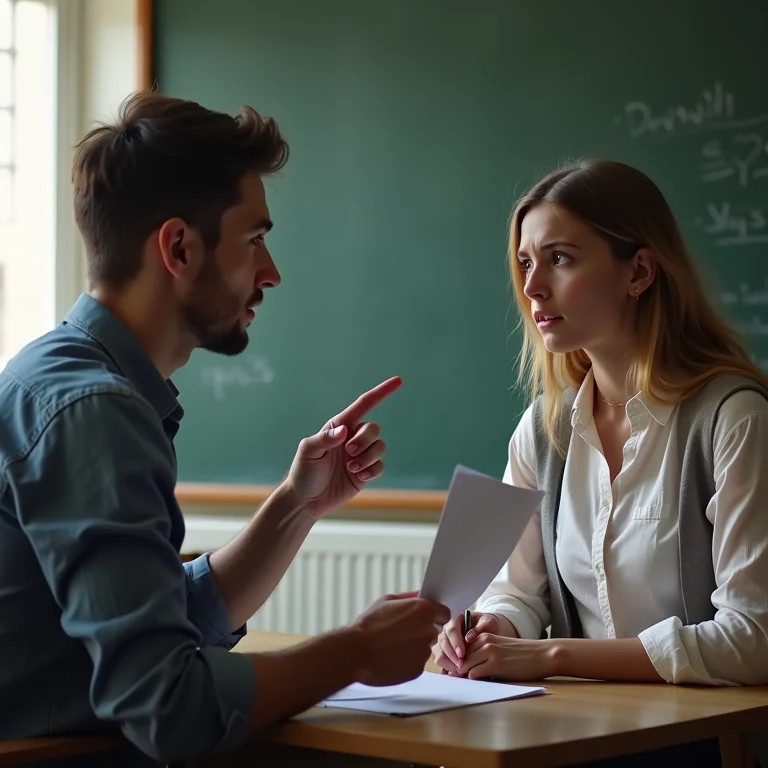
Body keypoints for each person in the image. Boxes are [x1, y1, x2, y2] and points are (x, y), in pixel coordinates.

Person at [0, 91, 449, 767]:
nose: (271, 273)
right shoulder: (94, 412)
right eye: (255, 239)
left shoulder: (63, 377)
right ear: (178, 247)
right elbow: (170, 707)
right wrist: (353, 652)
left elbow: (168, 623)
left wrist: (298, 504)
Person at [433, 159, 768, 765]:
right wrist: (489, 632)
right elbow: (519, 592)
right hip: (575, 732)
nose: (533, 287)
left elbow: (753, 640)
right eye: (527, 262)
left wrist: (551, 656)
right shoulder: (542, 428)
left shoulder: (736, 419)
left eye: (560, 258)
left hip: (698, 744)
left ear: (639, 270)